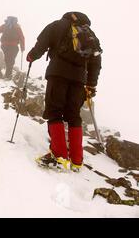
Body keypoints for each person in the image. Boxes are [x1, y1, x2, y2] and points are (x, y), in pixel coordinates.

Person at [26, 12, 102, 172]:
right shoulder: (90, 35)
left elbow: (42, 44)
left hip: (58, 73)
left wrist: (32, 56)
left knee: (54, 112)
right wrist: (91, 85)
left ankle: (59, 156)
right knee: (74, 115)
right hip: (79, 80)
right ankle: (76, 160)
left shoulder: (57, 25)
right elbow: (96, 61)